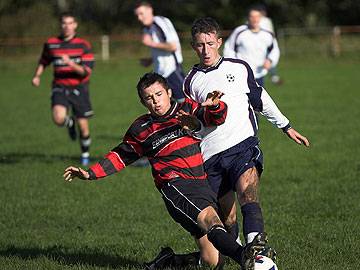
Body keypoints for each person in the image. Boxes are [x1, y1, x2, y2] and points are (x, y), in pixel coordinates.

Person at [63, 72, 267, 270]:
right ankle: (244, 258)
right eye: (149, 98)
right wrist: (90, 173)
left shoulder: (187, 108)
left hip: (202, 182)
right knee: (212, 222)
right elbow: (120, 156)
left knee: (214, 261)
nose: (155, 101)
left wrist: (216, 106)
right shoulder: (141, 128)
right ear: (143, 102)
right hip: (176, 186)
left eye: (159, 94)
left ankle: (168, 261)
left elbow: (216, 118)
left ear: (169, 92)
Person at [179, 17, 309, 264]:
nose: (205, 50)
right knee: (228, 219)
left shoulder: (239, 67)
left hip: (242, 146)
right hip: (211, 157)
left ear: (219, 42)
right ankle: (239, 254)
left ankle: (257, 252)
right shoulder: (190, 82)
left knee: (248, 195)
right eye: (199, 45)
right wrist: (192, 122)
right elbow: (194, 123)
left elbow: (261, 99)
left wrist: (286, 126)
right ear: (193, 47)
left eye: (209, 43)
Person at [31, 12, 95, 165]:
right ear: (60, 25)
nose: (67, 26)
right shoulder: (51, 43)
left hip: (79, 87)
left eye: (70, 23)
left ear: (75, 25)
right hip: (59, 86)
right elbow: (44, 60)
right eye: (64, 23)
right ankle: (68, 122)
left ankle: (85, 155)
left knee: (84, 128)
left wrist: (71, 63)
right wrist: (37, 75)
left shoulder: (83, 45)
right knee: (58, 118)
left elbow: (86, 71)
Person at [134, 1, 185, 103]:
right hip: (160, 73)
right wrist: (151, 60)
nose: (139, 18)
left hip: (172, 71)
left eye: (141, 14)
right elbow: (161, 51)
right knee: (164, 109)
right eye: (137, 15)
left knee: (185, 104)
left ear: (150, 10)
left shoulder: (160, 23)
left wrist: (151, 43)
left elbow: (173, 46)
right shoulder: (147, 29)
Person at [223, 6, 280, 87]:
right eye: (252, 16)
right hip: (242, 73)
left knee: (257, 98)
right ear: (248, 18)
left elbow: (275, 50)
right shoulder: (239, 32)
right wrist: (233, 65)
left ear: (261, 18)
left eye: (257, 16)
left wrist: (270, 60)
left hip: (259, 73)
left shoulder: (267, 34)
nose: (254, 19)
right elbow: (229, 48)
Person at [257, 5, 283, 85]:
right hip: (258, 45)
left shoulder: (267, 20)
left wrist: (273, 41)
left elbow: (271, 31)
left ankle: (273, 77)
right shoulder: (254, 20)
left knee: (270, 59)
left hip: (266, 44)